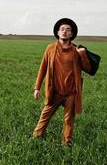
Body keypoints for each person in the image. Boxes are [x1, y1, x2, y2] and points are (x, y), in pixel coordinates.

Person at [32, 18, 91, 146]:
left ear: (72, 34)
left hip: (71, 92)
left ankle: (67, 142)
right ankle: (36, 138)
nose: (65, 32)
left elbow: (87, 68)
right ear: (58, 32)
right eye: (62, 29)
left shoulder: (76, 51)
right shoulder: (50, 48)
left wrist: (83, 54)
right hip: (54, 91)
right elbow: (42, 68)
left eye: (68, 30)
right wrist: (37, 87)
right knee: (45, 115)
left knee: (68, 119)